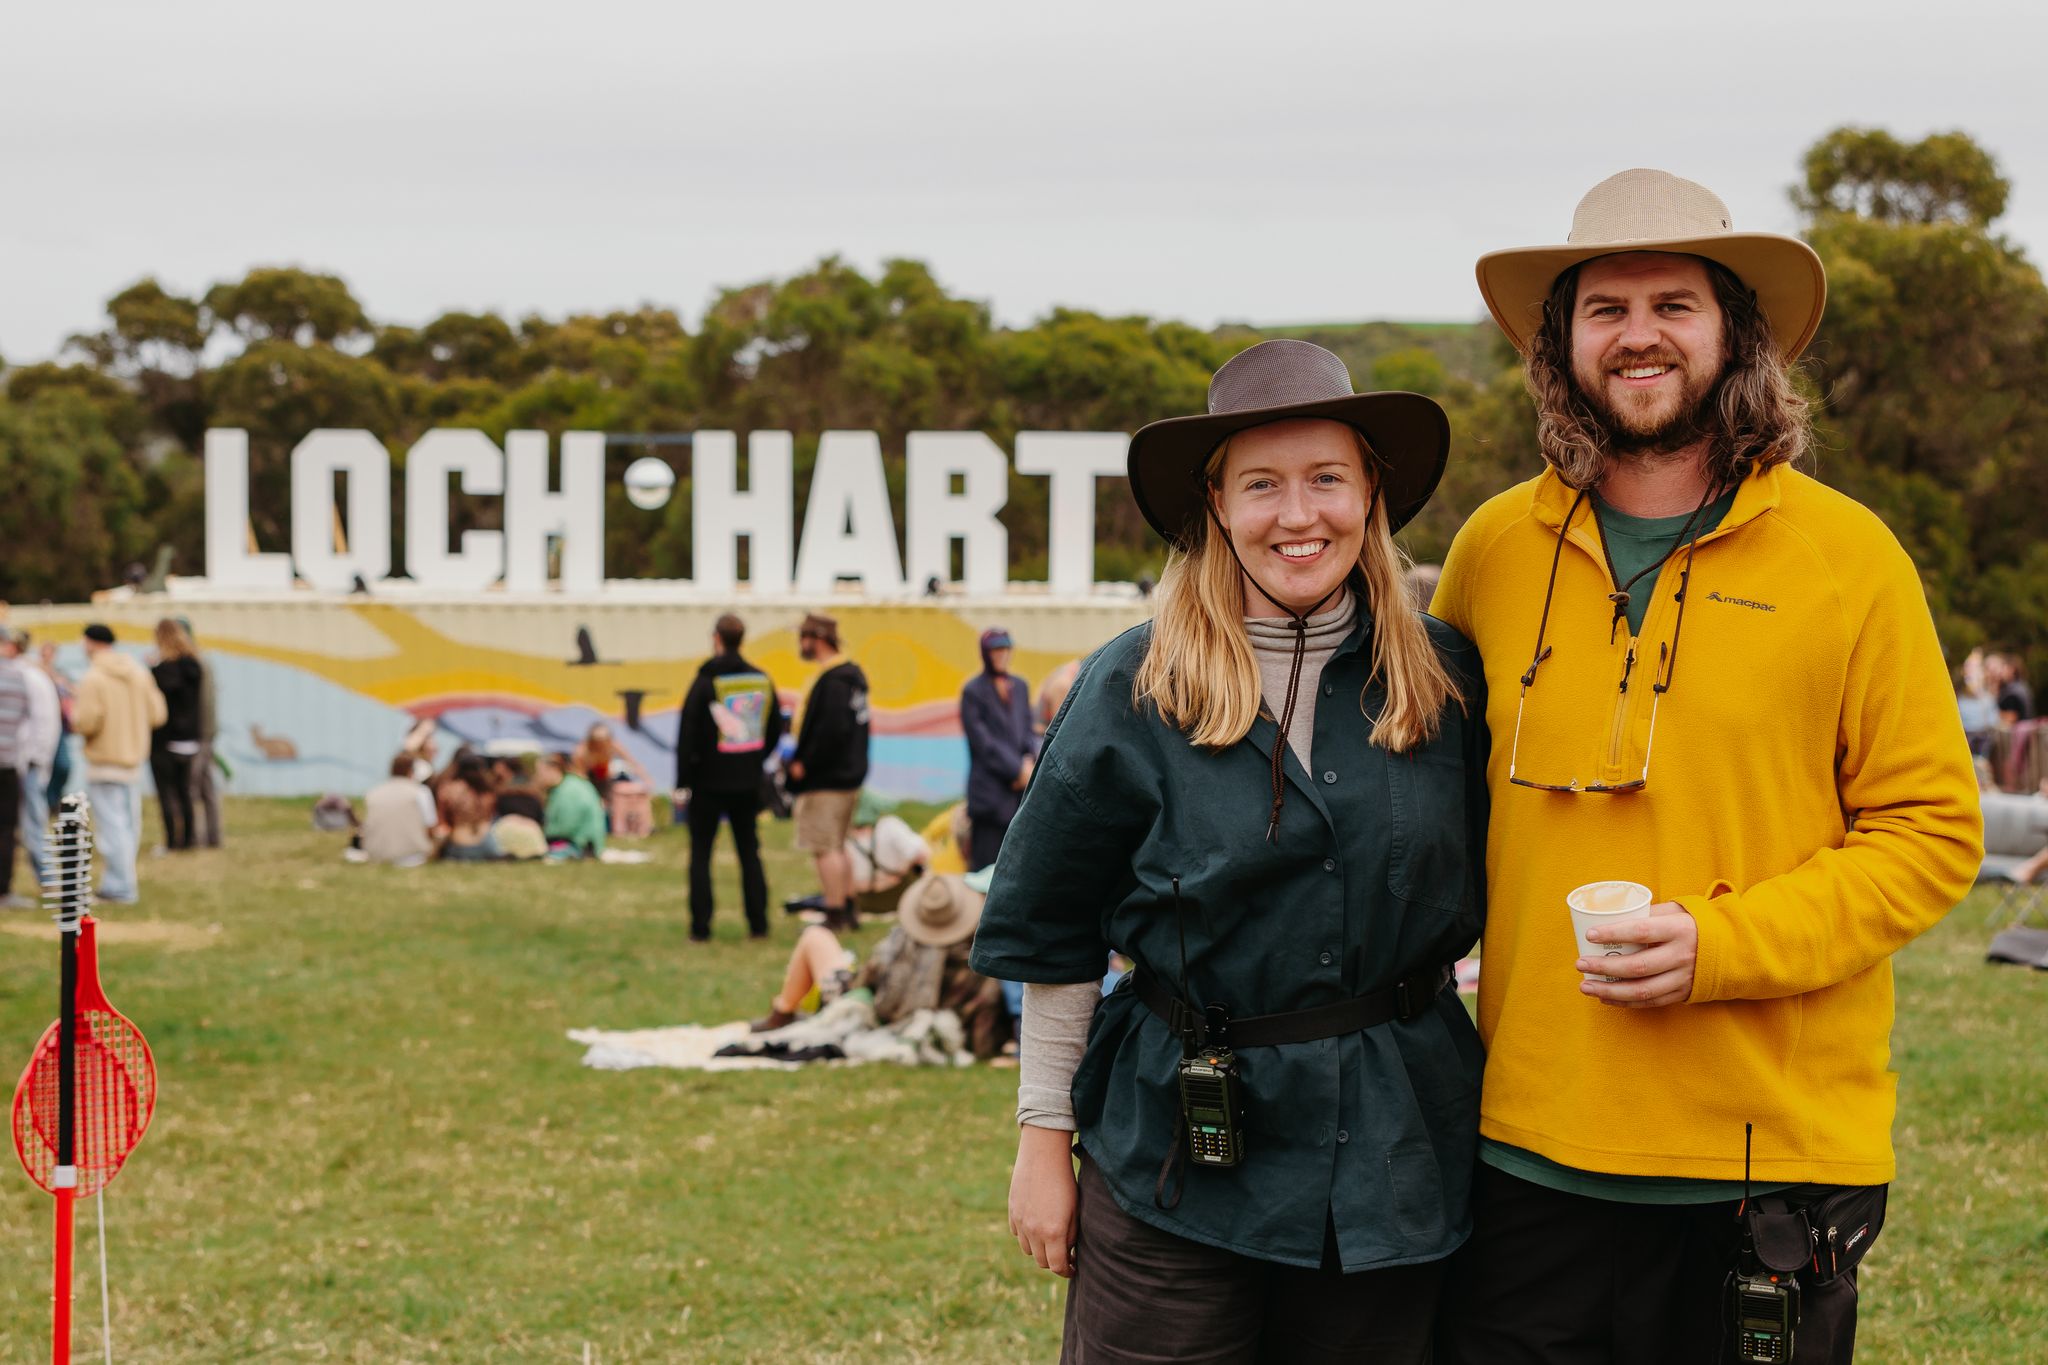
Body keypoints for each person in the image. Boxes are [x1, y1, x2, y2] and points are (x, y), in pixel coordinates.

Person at [1431, 168, 1984, 1364]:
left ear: (1734, 332)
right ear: (1558, 344)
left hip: (1767, 1165)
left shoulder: (1850, 558)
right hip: (1525, 1150)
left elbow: (1931, 834)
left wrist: (1721, 948)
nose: (1637, 336)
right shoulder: (1488, 551)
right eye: (1604, 308)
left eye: (1672, 304)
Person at [972, 338, 1488, 1362]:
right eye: (1260, 485)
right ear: (1214, 505)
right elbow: (1053, 930)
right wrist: (1042, 1143)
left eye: (1325, 480)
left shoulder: (1446, 681)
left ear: (1370, 492)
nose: (1296, 517)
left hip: (1392, 1159)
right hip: (1175, 1156)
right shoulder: (1132, 686)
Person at [748, 871, 1008, 1059]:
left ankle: (782, 1011)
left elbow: (863, 982)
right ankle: (783, 1013)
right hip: (920, 1022)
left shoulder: (902, 945)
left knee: (816, 937)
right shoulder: (981, 961)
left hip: (861, 1012)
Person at [674, 612, 786, 941]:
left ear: (717, 639)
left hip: (707, 783)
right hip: (747, 782)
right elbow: (776, 727)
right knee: (749, 852)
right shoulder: (760, 680)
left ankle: (700, 928)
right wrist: (755, 758)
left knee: (701, 855)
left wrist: (683, 781)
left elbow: (688, 733)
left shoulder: (706, 682)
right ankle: (758, 924)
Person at [786, 613, 871, 931]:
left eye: (804, 638)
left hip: (827, 780)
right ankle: (848, 908)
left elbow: (830, 731)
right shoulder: (851, 677)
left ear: (817, 640)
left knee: (824, 846)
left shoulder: (834, 680)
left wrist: (804, 763)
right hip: (847, 776)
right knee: (839, 843)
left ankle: (834, 911)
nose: (801, 645)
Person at [73, 624, 167, 906]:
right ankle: (124, 883)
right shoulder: (139, 673)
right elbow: (158, 714)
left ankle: (120, 887)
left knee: (112, 828)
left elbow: (86, 721)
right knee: (128, 827)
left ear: (91, 643)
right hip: (133, 761)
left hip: (105, 761)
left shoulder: (93, 678)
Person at [959, 627, 1036, 872]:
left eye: (1005, 649)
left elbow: (1027, 731)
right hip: (989, 796)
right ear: (985, 654)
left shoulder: (1020, 686)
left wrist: (1029, 763)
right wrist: (1016, 771)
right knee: (985, 870)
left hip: (1017, 797)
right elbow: (983, 744)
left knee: (1016, 868)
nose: (1002, 654)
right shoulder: (973, 691)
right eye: (996, 650)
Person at [4, 630, 61, 900]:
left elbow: (44, 722)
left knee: (33, 821)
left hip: (26, 761)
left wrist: (38, 760)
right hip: (18, 760)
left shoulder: (28, 676)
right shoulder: (23, 673)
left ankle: (48, 879)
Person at [148, 618, 204, 853]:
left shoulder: (162, 671)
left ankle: (172, 841)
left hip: (165, 739)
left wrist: (152, 668)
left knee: (166, 793)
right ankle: (190, 839)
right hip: (189, 739)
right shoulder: (195, 666)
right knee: (185, 792)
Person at [182, 618, 223, 849]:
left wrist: (202, 734)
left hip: (199, 734)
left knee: (192, 787)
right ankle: (214, 836)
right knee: (207, 787)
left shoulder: (195, 664)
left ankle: (196, 838)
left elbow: (204, 701)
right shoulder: (201, 661)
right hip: (205, 732)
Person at [358, 752, 438, 867]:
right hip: (412, 856)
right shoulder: (420, 792)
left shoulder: (373, 792)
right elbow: (430, 826)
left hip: (376, 854)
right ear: (411, 772)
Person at [0, 645, 28, 910]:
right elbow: (27, 720)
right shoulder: (17, 677)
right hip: (7, 761)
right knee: (6, 828)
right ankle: (3, 890)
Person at [539, 750, 606, 859]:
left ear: (552, 769)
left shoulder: (568, 790)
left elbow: (566, 826)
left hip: (581, 845)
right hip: (588, 843)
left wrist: (543, 834)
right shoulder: (570, 784)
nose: (539, 777)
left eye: (540, 772)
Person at [435, 751, 500, 861]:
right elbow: (490, 817)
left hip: (460, 844)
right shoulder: (487, 791)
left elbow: (442, 821)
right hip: (486, 843)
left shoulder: (448, 789)